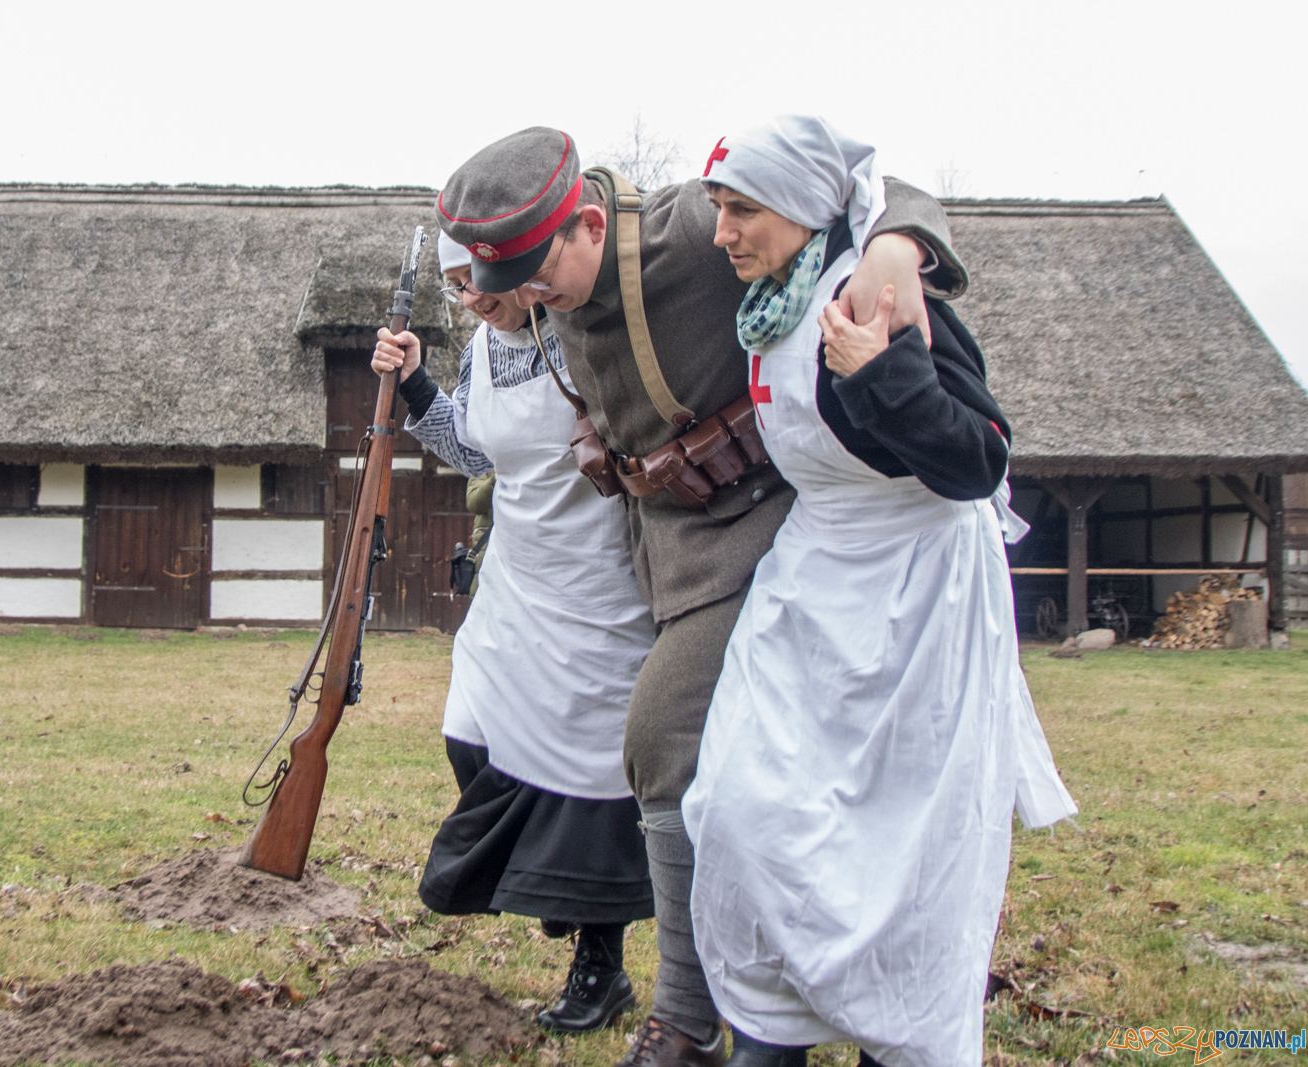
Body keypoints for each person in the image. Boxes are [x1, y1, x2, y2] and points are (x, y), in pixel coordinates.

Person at [435, 127, 967, 1067]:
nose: (526, 299)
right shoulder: (545, 281)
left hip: (754, 533)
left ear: (589, 223)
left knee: (661, 739)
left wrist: (896, 245)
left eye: (535, 276)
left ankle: (687, 1018)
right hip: (658, 553)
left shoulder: (692, 228)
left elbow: (863, 183)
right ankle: (765, 996)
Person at [680, 117, 1078, 1067]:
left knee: (899, 845)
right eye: (720, 210)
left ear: (806, 211)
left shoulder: (876, 296)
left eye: (744, 211)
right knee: (739, 803)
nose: (725, 232)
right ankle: (771, 1026)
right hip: (815, 579)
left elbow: (979, 460)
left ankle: (893, 1036)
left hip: (918, 595)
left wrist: (885, 370)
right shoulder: (772, 304)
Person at [373, 232, 657, 1034]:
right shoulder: (479, 349)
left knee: (592, 777)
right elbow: (472, 448)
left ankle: (601, 968)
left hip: (599, 580)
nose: (474, 296)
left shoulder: (580, 335)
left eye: (482, 279)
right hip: (515, 578)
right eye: (458, 284)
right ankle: (552, 883)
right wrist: (413, 384)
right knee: (472, 732)